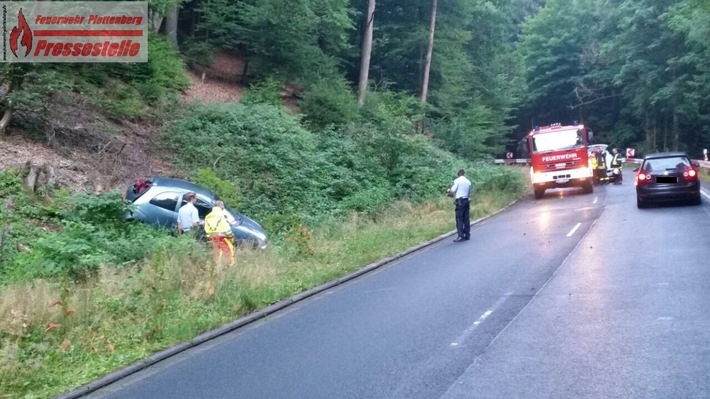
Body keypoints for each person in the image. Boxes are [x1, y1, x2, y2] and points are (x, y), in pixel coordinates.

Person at [204, 201, 235, 266]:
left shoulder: (208, 216)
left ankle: (217, 265)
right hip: (222, 237)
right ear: (220, 205)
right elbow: (226, 227)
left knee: (216, 253)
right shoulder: (221, 214)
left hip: (212, 237)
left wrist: (209, 236)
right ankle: (230, 265)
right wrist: (231, 236)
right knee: (228, 251)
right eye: (223, 205)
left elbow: (206, 228)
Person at [447, 169, 472, 243]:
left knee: (459, 218)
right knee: (466, 218)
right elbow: (469, 192)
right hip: (466, 200)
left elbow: (453, 190)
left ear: (458, 174)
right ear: (464, 174)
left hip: (460, 201)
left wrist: (449, 190)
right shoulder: (468, 182)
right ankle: (467, 234)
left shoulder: (457, 181)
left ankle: (460, 235)